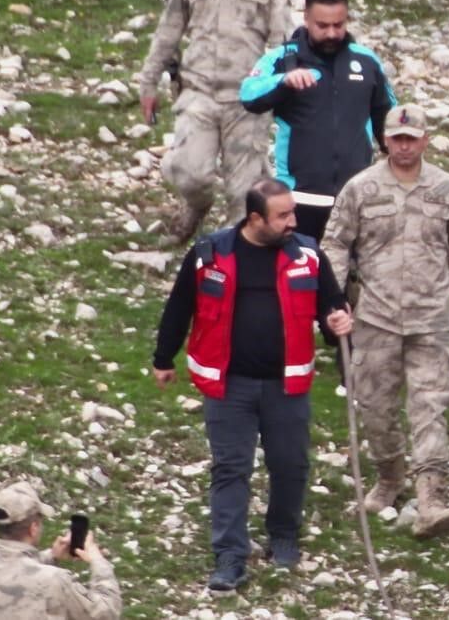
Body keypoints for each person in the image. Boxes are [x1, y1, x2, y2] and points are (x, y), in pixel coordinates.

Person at [151, 177, 353, 590]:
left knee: (290, 464)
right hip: (229, 386)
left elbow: (331, 306)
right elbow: (180, 306)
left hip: (287, 385)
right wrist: (163, 358)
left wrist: (337, 321)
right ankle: (229, 555)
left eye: (292, 212)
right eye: (283, 216)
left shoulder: (309, 256)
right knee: (231, 468)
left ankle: (283, 535)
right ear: (255, 218)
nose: (293, 222)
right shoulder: (209, 254)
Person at [319, 105, 449, 539]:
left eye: (412, 138)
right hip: (375, 318)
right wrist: (334, 299)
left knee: (430, 407)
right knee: (376, 407)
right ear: (386, 140)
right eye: (397, 138)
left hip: (431, 319)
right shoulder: (361, 188)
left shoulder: (446, 189)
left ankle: (432, 497)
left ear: (425, 139)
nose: (405, 146)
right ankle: (390, 476)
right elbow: (334, 244)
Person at [138, 0, 294, 243]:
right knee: (189, 172)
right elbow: (169, 30)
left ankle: (230, 258)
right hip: (199, 92)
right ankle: (196, 206)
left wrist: (280, 89)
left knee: (244, 195)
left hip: (247, 99)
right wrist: (148, 82)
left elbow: (281, 40)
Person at [239, 0, 397, 241]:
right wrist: (283, 81)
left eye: (339, 25)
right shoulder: (282, 58)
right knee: (301, 266)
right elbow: (248, 95)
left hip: (357, 196)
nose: (332, 33)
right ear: (306, 18)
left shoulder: (366, 61)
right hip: (299, 199)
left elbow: (389, 118)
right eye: (322, 26)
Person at [0, 480, 121, 620]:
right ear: (34, 528)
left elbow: (11, 570)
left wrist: (51, 556)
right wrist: (98, 560)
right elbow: (106, 613)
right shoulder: (54, 580)